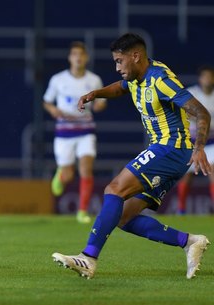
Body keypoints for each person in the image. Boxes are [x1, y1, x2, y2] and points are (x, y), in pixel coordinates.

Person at [51, 33, 210, 279]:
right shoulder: (136, 76)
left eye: (119, 61)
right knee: (124, 217)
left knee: (114, 189)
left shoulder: (161, 80)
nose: (116, 68)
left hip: (170, 148)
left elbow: (201, 113)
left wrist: (199, 148)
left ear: (135, 56)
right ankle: (189, 241)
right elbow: (121, 88)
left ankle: (89, 258)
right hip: (167, 152)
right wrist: (96, 93)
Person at [43, 41, 107, 224]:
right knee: (69, 174)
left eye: (81, 54)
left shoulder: (94, 80)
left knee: (86, 168)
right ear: (70, 57)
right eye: (74, 54)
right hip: (64, 132)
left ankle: (82, 211)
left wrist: (101, 104)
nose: (78, 57)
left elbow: (100, 103)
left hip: (86, 130)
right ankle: (60, 175)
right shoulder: (58, 79)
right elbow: (47, 101)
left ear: (86, 57)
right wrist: (53, 110)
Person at [177, 66, 214, 214]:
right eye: (205, 77)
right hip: (192, 140)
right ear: (200, 79)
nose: (208, 80)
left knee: (212, 173)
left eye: (210, 77)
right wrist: (201, 117)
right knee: (187, 176)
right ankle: (181, 210)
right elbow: (184, 112)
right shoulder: (192, 93)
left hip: (211, 140)